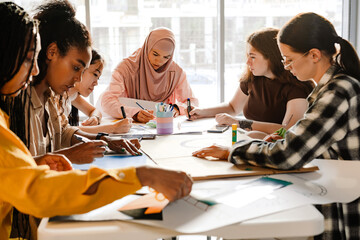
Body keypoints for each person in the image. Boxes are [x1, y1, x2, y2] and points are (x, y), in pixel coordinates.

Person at [0, 3, 192, 240]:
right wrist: (141, 175)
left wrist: (99, 139)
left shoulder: (43, 98)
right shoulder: (14, 107)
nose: (34, 70)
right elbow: (35, 190)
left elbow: (16, 172)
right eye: (30, 59)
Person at [193, 12, 360, 239]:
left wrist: (232, 152)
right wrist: (283, 139)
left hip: (339, 206)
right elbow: (309, 142)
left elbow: (288, 155)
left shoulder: (337, 91)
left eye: (289, 59)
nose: (286, 66)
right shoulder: (328, 87)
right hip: (327, 191)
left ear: (314, 55)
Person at [27, 0, 140, 164]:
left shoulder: (49, 97)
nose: (78, 79)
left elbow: (64, 132)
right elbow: (14, 170)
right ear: (52, 52)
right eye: (75, 68)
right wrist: (69, 156)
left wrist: (104, 140)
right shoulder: (21, 101)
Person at [189, 28, 314, 138]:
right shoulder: (253, 79)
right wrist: (201, 111)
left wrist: (239, 123)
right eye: (248, 56)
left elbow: (286, 131)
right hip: (250, 140)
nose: (248, 62)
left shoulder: (297, 88)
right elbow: (232, 107)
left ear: (272, 57)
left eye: (253, 57)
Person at [99, 27, 199, 123]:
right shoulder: (126, 68)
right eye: (155, 54)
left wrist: (177, 108)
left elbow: (192, 101)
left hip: (163, 126)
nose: (159, 61)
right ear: (147, 47)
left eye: (166, 57)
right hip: (132, 126)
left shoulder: (175, 72)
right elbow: (107, 102)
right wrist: (134, 113)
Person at [57, 49, 132, 134]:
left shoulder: (71, 95)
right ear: (80, 68)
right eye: (95, 74)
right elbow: (63, 132)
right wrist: (113, 128)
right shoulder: (57, 95)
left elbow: (95, 111)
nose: (96, 83)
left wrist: (94, 117)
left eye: (98, 78)